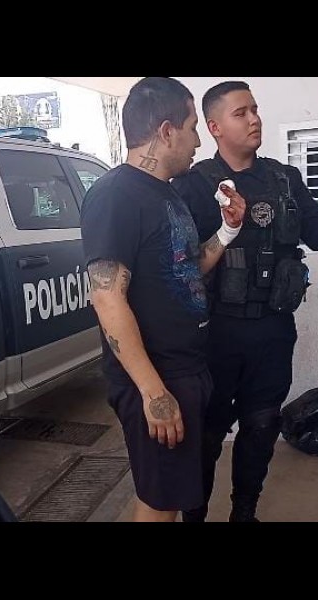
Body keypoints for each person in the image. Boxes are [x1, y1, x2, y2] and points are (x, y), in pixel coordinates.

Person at [171, 81, 318, 522]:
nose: (254, 119)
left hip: (273, 331)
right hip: (215, 335)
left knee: (260, 428)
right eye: (241, 112)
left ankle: (244, 513)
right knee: (207, 436)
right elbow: (178, 268)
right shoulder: (192, 186)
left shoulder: (284, 179)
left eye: (255, 109)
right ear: (214, 127)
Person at [80, 77, 246, 523]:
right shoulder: (115, 195)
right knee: (159, 503)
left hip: (186, 369)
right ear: (167, 131)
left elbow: (187, 269)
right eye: (193, 128)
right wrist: (153, 391)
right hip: (157, 376)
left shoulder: (167, 193)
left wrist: (228, 230)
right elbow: (107, 298)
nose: (198, 142)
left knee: (167, 496)